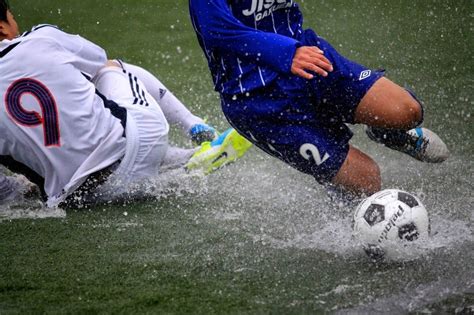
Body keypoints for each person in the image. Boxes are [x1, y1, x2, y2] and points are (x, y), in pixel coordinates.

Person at [0, 0, 252, 207]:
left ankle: (189, 160)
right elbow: (96, 59)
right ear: (3, 28)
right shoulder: (41, 38)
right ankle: (195, 127)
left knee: (94, 145)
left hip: (83, 199)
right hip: (136, 147)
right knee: (111, 68)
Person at [189, 0, 449, 198]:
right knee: (367, 182)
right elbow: (216, 30)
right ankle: (342, 193)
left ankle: (389, 133)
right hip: (256, 99)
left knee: (407, 111)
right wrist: (286, 54)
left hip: (311, 58)